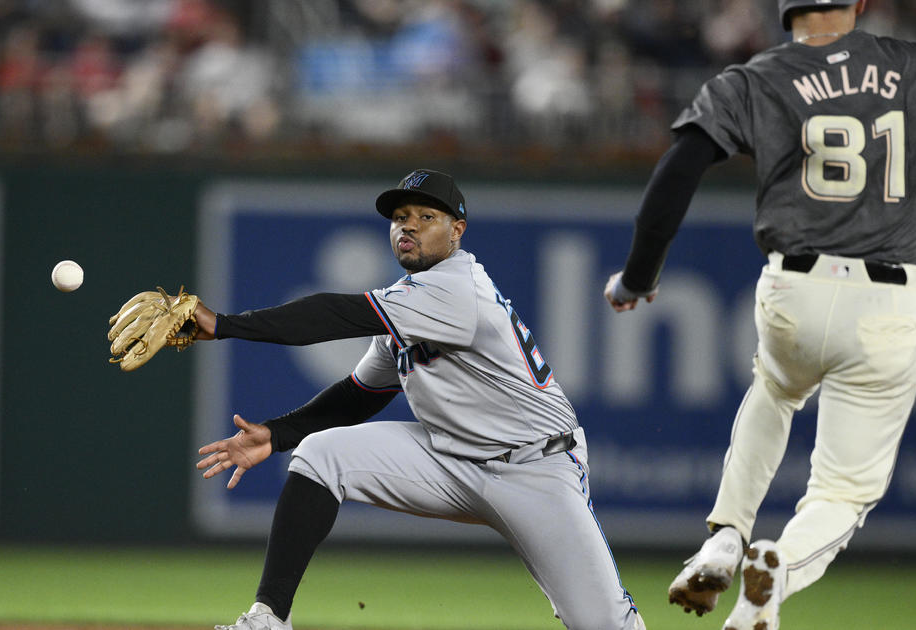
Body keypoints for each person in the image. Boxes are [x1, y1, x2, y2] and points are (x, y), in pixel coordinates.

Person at [602, 1, 916, 629]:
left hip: (796, 285)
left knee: (773, 389)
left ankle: (726, 537)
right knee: (843, 491)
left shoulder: (755, 76)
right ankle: (780, 571)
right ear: (861, 2)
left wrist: (639, 275)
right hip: (890, 298)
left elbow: (678, 169)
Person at [193, 169, 644, 630]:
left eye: (426, 216)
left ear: (457, 230)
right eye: (400, 217)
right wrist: (278, 433)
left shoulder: (456, 287)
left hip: (536, 469)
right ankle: (269, 619)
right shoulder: (407, 304)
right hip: (450, 460)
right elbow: (360, 395)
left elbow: (332, 315)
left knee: (604, 625)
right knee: (320, 455)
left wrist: (226, 324)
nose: (407, 225)